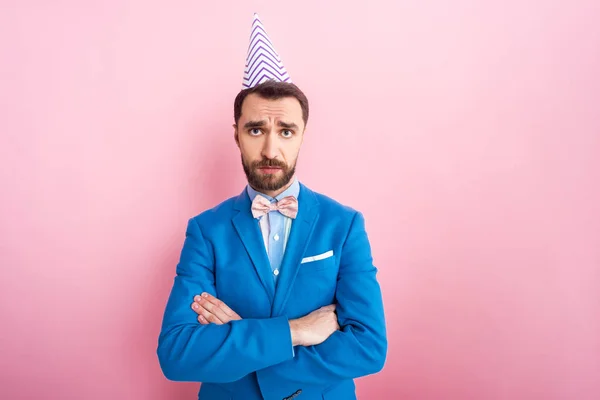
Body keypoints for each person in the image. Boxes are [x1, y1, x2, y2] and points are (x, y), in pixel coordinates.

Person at [157, 13, 387, 400]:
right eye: (255, 130)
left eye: (285, 131)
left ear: (302, 136)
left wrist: (243, 344)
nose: (270, 149)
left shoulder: (344, 226)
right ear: (237, 135)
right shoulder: (205, 231)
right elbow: (177, 353)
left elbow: (368, 347)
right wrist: (295, 331)